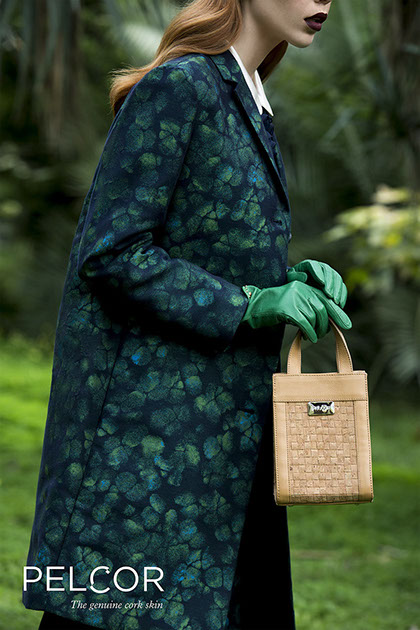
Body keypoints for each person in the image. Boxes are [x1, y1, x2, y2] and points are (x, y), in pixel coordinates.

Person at [23, 0, 349, 628]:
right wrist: (250, 303)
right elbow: (111, 253)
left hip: (228, 446)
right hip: (149, 449)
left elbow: (204, 246)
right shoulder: (182, 86)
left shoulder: (249, 98)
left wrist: (286, 281)